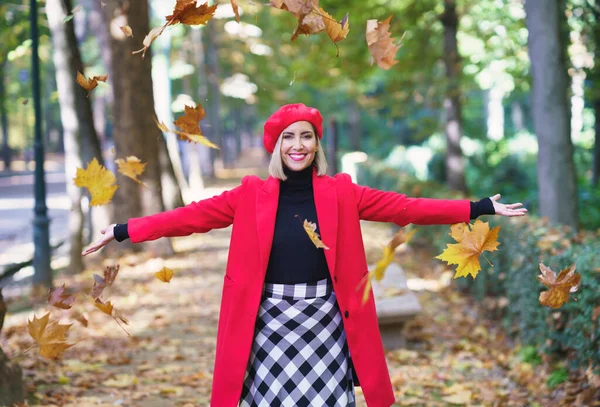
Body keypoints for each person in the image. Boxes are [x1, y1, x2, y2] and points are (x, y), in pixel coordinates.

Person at [82, 103, 527, 407]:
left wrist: (479, 207)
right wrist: (122, 230)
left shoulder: (342, 192)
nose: (298, 144)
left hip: (326, 320)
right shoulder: (249, 194)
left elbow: (406, 207)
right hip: (269, 321)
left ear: (317, 145)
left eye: (307, 137)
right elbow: (188, 218)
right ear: (276, 145)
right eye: (289, 137)